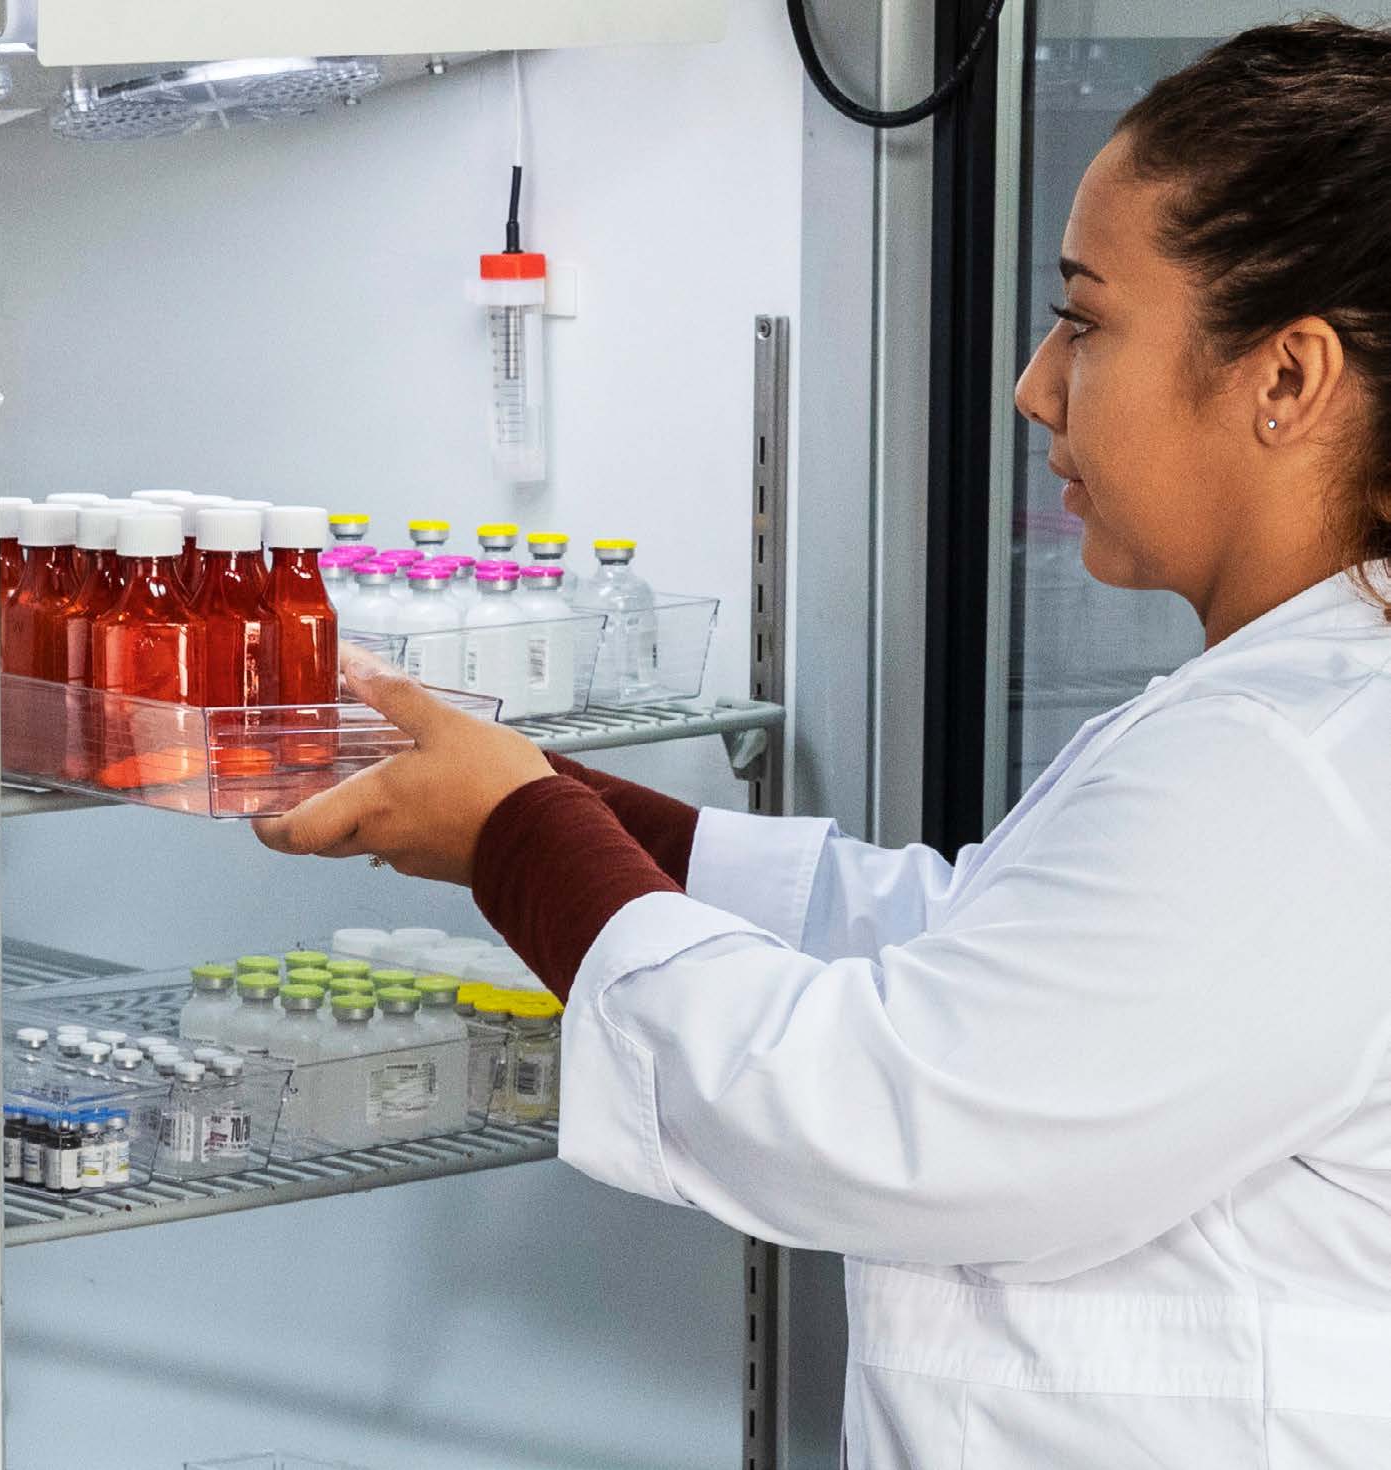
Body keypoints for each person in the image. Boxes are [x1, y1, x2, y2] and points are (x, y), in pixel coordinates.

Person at [256, 21, 1391, 1467]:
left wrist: (516, 834)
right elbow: (987, 956)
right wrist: (549, 798)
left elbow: (878, 1110)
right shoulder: (1309, 718)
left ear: (1286, 379)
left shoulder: (1281, 772)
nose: (1036, 385)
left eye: (1086, 322)